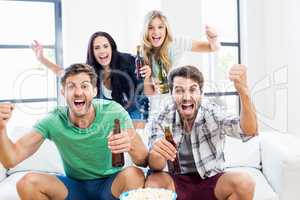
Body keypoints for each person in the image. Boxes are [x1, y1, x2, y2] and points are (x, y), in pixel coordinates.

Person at [0, 63, 148, 200]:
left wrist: (130, 145)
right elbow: (11, 159)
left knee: (135, 175)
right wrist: (1, 128)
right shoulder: (54, 119)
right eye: (71, 87)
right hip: (74, 186)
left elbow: (143, 159)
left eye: (84, 86)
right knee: (26, 183)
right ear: (63, 92)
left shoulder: (113, 112)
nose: (78, 92)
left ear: (94, 91)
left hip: (110, 184)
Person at [145, 65, 258, 200]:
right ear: (171, 93)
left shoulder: (211, 112)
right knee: (153, 183)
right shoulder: (161, 116)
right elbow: (155, 165)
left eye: (193, 90)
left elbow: (249, 130)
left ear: (201, 92)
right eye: (179, 90)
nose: (186, 97)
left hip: (210, 179)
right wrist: (159, 153)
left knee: (245, 183)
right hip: (174, 181)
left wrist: (244, 92)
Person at [32, 31, 149, 128]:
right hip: (110, 117)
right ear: (92, 52)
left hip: (135, 113)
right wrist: (41, 58)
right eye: (97, 48)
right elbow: (65, 73)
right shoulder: (89, 71)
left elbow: (144, 89)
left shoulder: (128, 61)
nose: (102, 51)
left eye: (105, 46)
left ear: (111, 48)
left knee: (131, 137)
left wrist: (148, 73)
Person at [139, 10, 220, 121]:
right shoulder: (145, 52)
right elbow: (150, 93)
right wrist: (147, 77)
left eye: (160, 27)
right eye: (150, 27)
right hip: (160, 111)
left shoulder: (177, 43)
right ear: (145, 31)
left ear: (166, 29)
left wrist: (213, 38)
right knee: (164, 138)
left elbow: (212, 48)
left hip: (184, 105)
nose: (156, 32)